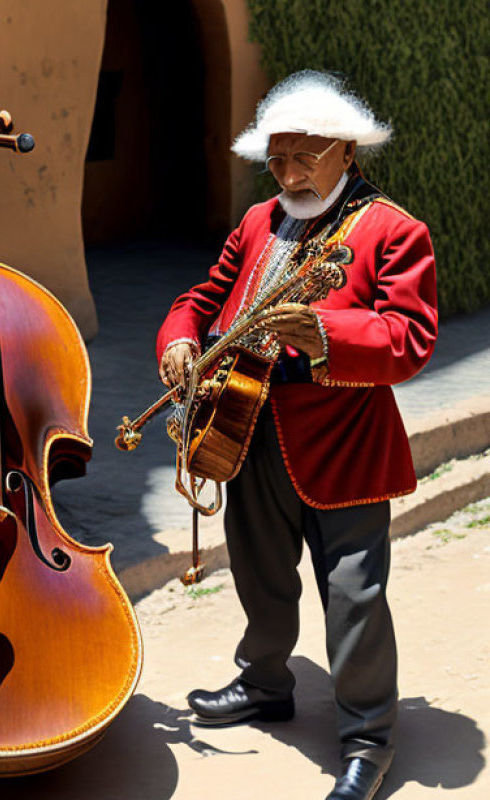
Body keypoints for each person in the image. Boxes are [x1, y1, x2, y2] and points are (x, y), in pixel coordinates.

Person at [155, 71, 437, 800]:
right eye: (276, 160)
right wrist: (180, 339)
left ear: (346, 150)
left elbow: (409, 338)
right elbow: (201, 297)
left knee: (354, 597)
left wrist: (323, 334)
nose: (287, 174)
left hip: (343, 444)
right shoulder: (257, 221)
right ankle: (265, 683)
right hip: (246, 428)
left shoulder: (393, 229)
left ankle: (369, 739)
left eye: (303, 158)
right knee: (262, 577)